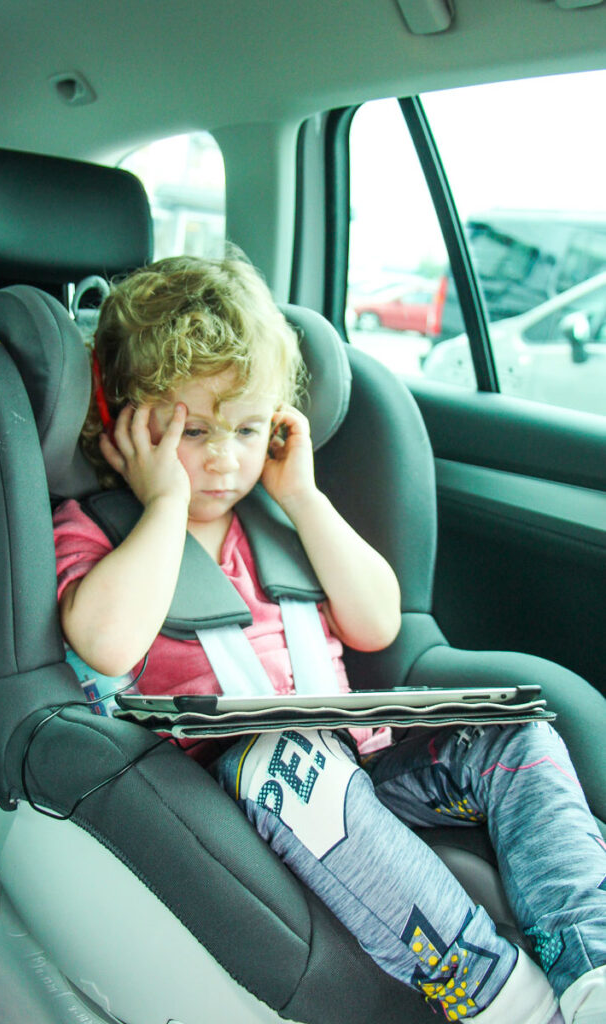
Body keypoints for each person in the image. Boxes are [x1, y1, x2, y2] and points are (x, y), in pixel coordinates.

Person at [53, 252, 605, 1024]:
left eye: (247, 429)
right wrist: (165, 503)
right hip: (238, 799)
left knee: (514, 731)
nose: (222, 458)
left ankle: (591, 974)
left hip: (363, 771)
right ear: (126, 422)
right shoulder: (105, 532)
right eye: (193, 430)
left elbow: (378, 621)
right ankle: (503, 1003)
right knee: (285, 761)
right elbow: (105, 644)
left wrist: (302, 497)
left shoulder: (279, 523)